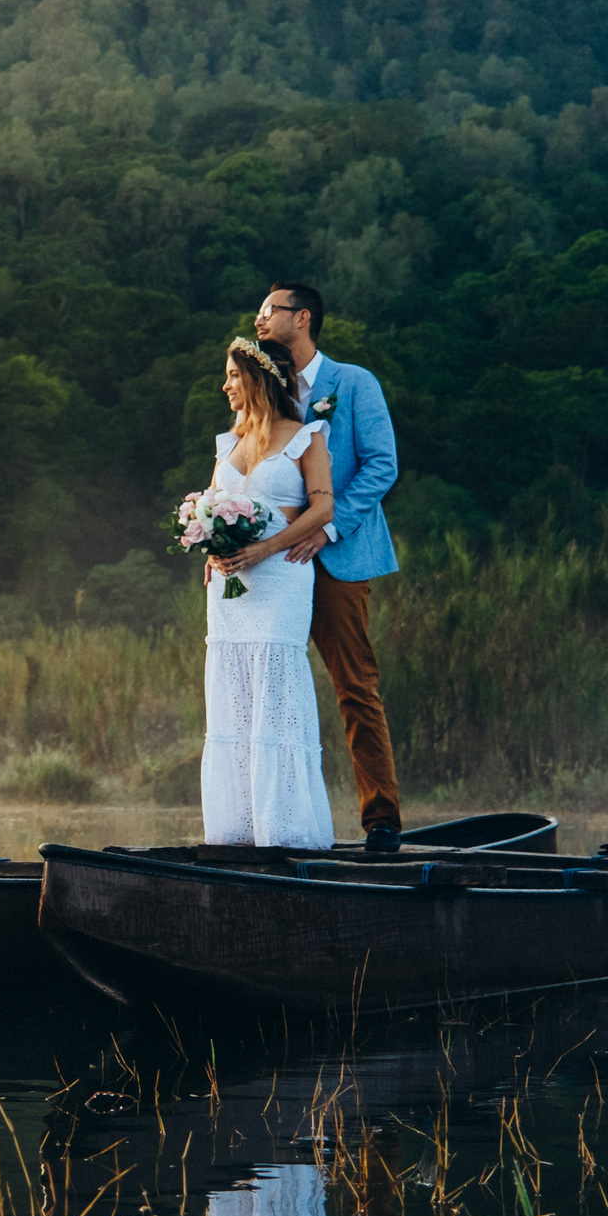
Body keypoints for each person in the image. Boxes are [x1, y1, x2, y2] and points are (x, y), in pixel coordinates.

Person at [253, 282, 405, 853]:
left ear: (303, 318)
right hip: (276, 561)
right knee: (272, 688)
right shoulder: (266, 387)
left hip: (339, 556)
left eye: (271, 311)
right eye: (260, 312)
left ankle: (381, 820)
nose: (261, 319)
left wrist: (329, 527)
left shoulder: (355, 382)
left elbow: (381, 466)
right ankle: (276, 818)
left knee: (354, 687)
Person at [200, 336, 337, 848]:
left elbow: (322, 510)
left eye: (234, 376)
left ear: (259, 379)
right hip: (230, 589)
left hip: (280, 578)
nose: (226, 385)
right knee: (232, 695)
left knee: (276, 687)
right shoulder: (227, 443)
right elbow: (212, 506)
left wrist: (266, 548)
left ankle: (286, 831)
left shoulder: (306, 437)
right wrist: (208, 542)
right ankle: (236, 832)